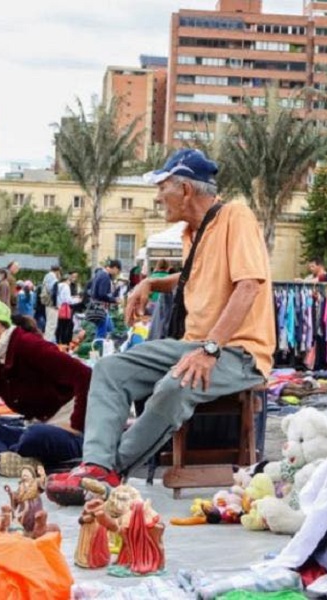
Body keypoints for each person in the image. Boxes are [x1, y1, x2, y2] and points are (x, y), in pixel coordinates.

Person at [47, 148, 273, 500]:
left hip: (239, 352)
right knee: (109, 369)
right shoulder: (191, 234)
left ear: (184, 190)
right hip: (193, 345)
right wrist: (152, 282)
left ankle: (109, 474)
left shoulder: (236, 216)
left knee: (175, 385)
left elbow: (248, 286)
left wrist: (210, 349)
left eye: (162, 187)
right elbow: (193, 276)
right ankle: (94, 466)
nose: (157, 197)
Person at [0, 295, 90, 475]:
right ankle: (8, 460)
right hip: (32, 429)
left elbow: (85, 376)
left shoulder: (28, 345)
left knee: (35, 436)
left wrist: (76, 425)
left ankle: (13, 457)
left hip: (63, 431)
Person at [41, 264, 62, 340]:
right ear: (58, 271)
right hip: (52, 304)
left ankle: (46, 340)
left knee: (49, 323)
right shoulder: (54, 279)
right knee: (52, 324)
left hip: (47, 303)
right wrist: (56, 304)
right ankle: (48, 342)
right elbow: (54, 293)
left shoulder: (47, 277)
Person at [54, 274, 76, 346]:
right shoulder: (66, 286)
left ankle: (57, 341)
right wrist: (76, 300)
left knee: (59, 326)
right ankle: (64, 343)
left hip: (58, 308)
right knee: (65, 327)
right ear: (67, 280)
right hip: (65, 308)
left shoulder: (58, 285)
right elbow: (67, 300)